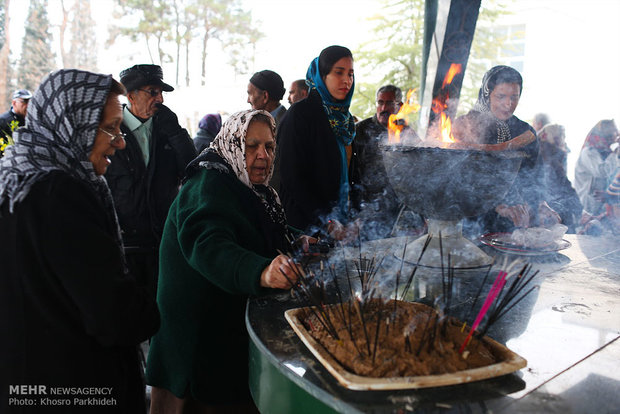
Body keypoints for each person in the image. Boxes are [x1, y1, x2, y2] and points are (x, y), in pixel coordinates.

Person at [0, 69, 160, 413]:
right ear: (75, 125)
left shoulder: (14, 179)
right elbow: (114, 315)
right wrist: (148, 308)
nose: (119, 142)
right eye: (110, 129)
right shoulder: (60, 194)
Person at [146, 109, 309, 413]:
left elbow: (259, 231)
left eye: (270, 147)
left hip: (223, 330)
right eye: (251, 146)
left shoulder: (249, 187)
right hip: (196, 340)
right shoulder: (208, 185)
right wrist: (261, 271)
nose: (263, 155)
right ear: (233, 144)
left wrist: (298, 241)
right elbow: (211, 246)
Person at [105, 64, 197, 299]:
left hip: (161, 240)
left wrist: (176, 132)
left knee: (160, 306)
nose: (160, 99)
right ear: (131, 95)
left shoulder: (166, 127)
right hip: (123, 244)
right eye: (152, 92)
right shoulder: (110, 131)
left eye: (161, 92)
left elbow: (192, 170)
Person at [453, 65, 561, 233]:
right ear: (487, 94)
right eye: (501, 96)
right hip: (473, 223)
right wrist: (497, 206)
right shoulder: (465, 125)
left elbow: (535, 174)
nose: (508, 104)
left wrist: (541, 204)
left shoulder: (525, 131)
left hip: (515, 225)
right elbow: (462, 178)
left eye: (514, 97)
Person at [277, 45, 358, 238]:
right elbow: (292, 178)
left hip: (342, 226)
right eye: (338, 73)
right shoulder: (300, 115)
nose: (346, 80)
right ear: (322, 76)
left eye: (351, 74)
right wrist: (326, 222)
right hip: (307, 230)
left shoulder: (345, 120)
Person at [352, 84, 414, 238]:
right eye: (380, 103)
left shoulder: (407, 133)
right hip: (365, 209)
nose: (383, 107)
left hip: (397, 211)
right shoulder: (359, 130)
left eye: (389, 103)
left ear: (399, 106)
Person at [537, 123, 582, 232]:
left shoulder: (538, 151)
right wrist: (579, 210)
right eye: (563, 136)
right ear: (557, 138)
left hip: (544, 208)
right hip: (553, 209)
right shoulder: (552, 156)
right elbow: (563, 185)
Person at [574, 119, 619, 218]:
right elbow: (602, 171)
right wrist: (616, 153)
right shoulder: (589, 152)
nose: (615, 138)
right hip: (588, 207)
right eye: (611, 135)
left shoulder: (608, 153)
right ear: (601, 136)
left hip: (604, 205)